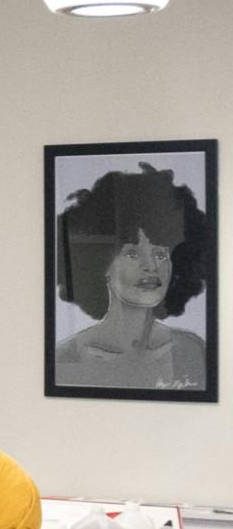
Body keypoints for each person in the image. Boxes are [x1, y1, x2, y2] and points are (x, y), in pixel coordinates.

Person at [52, 160, 209, 390]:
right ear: (101, 265)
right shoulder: (65, 358)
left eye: (161, 253)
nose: (151, 266)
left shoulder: (192, 350)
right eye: (132, 254)